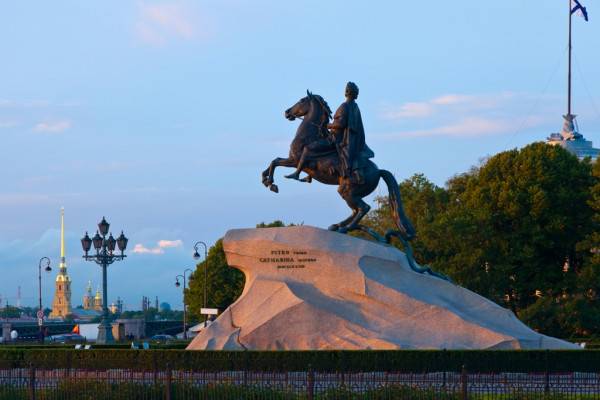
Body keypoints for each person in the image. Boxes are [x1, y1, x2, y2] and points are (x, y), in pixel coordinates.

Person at [327, 82, 374, 183]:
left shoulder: (345, 106)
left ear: (347, 92)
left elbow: (340, 125)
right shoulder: (354, 106)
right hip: (350, 138)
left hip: (344, 139)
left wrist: (327, 125)